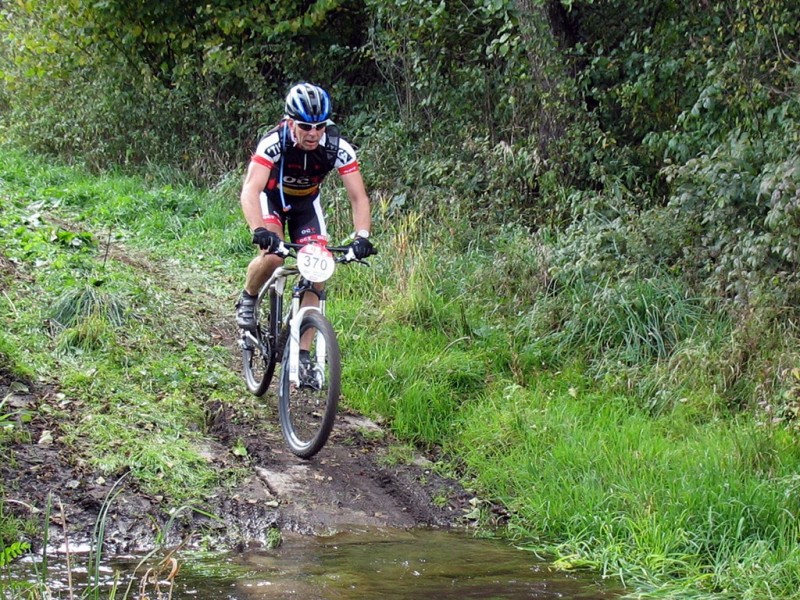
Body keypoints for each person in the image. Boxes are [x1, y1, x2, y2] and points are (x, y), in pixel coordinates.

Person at [236, 82, 374, 346]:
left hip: (306, 205)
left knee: (317, 273)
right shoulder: (274, 142)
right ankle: (248, 297)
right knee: (274, 257)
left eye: (320, 126)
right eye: (305, 126)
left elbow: (359, 197)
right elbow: (250, 190)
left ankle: (303, 355)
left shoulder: (337, 147)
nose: (313, 134)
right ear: (290, 122)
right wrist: (259, 230)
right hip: (271, 199)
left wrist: (362, 236)